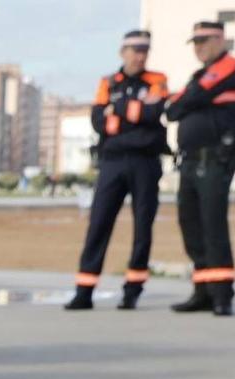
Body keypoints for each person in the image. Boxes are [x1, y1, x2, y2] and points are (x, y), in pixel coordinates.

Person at [63, 31, 169, 312]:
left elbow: (152, 113)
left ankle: (132, 289)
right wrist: (129, 114)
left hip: (146, 162)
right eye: (134, 50)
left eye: (144, 50)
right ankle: (84, 290)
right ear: (122, 52)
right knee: (98, 223)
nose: (139, 55)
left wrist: (118, 110)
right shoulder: (107, 82)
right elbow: (99, 122)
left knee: (143, 226)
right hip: (112, 162)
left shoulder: (156, 80)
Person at [165, 20, 235, 317]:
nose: (199, 47)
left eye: (205, 41)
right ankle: (203, 290)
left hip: (214, 159)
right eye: (196, 42)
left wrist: (187, 101)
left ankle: (222, 294)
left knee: (213, 227)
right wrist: (186, 102)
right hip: (190, 160)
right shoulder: (199, 75)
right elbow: (173, 110)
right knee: (191, 225)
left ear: (220, 40)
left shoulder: (230, 67)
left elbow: (190, 99)